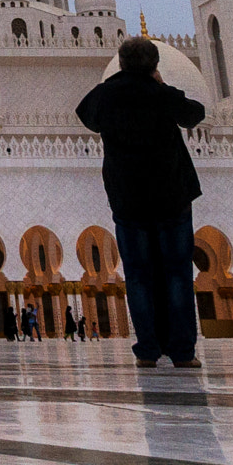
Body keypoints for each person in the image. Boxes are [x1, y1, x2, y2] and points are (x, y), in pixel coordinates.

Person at [78, 35, 207, 369]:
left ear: (121, 64)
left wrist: (116, 82)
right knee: (177, 274)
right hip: (171, 199)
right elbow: (194, 114)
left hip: (129, 201)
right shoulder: (161, 95)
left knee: (138, 276)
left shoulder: (106, 95)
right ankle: (181, 351)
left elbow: (86, 115)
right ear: (155, 66)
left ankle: (148, 349)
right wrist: (160, 84)